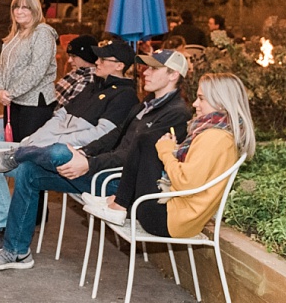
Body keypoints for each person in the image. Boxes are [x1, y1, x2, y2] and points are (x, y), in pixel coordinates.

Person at [0, 49, 192, 271]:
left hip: (119, 183)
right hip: (104, 169)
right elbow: (114, 136)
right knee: (30, 171)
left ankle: (20, 154)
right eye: (146, 66)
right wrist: (85, 153)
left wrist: (89, 163)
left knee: (60, 153)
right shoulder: (145, 105)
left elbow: (133, 157)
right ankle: (17, 252)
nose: (146, 72)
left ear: (173, 75)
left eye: (154, 68)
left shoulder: (175, 114)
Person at [0, 40, 139, 241]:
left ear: (119, 66)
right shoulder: (93, 85)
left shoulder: (125, 96)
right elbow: (58, 116)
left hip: (64, 156)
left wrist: (48, 143)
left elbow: (100, 136)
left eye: (103, 59)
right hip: (42, 146)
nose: (97, 62)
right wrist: (35, 139)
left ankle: (4, 225)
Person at [0, 33, 97, 214]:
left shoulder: (87, 80)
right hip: (30, 112)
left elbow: (64, 114)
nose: (70, 59)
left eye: (74, 56)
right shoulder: (74, 74)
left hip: (42, 122)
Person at [96, 73, 255, 237]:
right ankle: (120, 203)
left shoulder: (214, 137)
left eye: (201, 99)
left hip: (166, 220)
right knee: (149, 142)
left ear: (221, 103)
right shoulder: (221, 134)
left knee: (146, 140)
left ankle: (119, 203)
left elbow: (185, 183)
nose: (195, 104)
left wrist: (165, 150)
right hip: (180, 219)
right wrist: (173, 149)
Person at [0, 0, 58, 146]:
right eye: (16, 7)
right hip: (13, 102)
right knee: (14, 149)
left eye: (25, 7)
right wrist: (0, 90)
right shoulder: (15, 35)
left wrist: (11, 92)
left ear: (35, 10)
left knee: (27, 152)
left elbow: (37, 70)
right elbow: (3, 67)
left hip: (35, 105)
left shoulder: (42, 34)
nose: (19, 11)